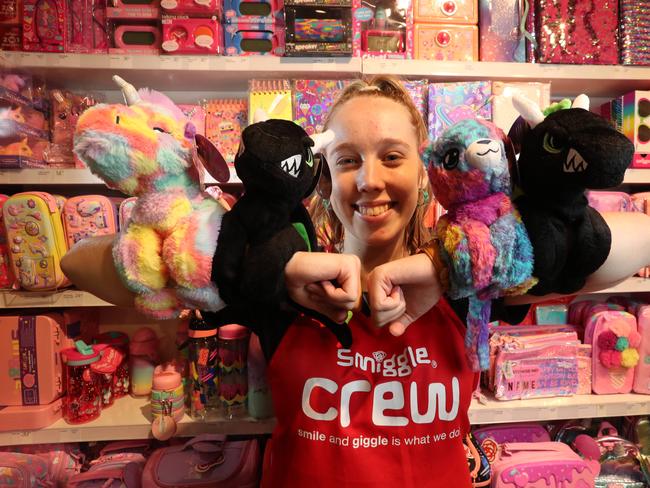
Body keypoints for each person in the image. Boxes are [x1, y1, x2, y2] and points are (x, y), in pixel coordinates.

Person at [62, 75, 650, 487]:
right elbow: (79, 263)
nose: (369, 180)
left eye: (392, 156)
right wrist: (272, 274)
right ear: (322, 176)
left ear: (424, 170)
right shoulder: (283, 278)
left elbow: (631, 239)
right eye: (347, 160)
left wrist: (447, 271)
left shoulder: (479, 281)